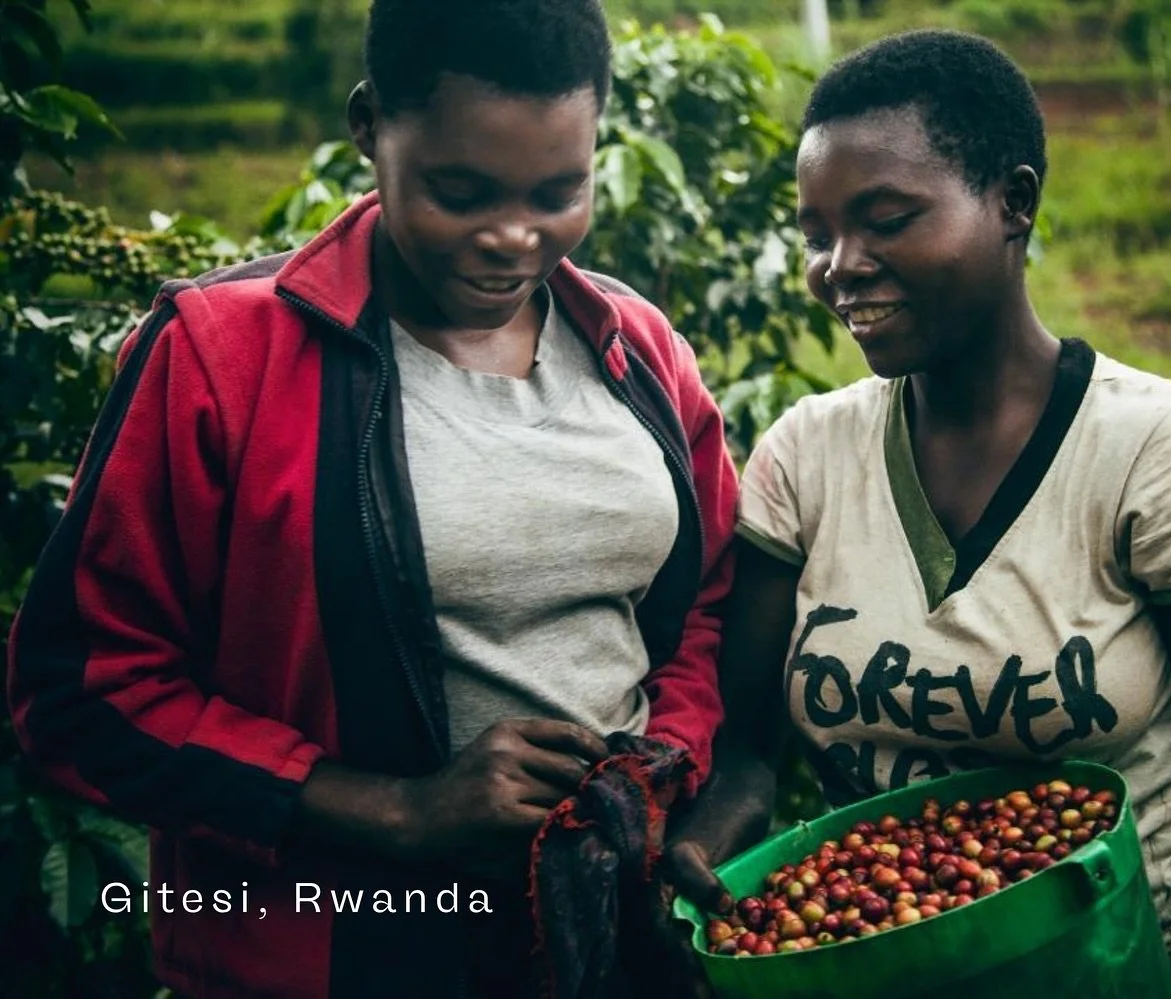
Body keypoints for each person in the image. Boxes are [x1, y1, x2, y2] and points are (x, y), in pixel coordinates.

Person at [5, 1, 738, 997]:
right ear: (368, 127)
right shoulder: (220, 359)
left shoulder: (638, 352)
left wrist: (657, 771)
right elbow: (83, 688)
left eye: (559, 190)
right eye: (459, 191)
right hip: (346, 950)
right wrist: (391, 809)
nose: (513, 239)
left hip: (609, 943)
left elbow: (704, 609)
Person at [661, 29, 1171, 999]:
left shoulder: (1167, 457)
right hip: (885, 959)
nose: (839, 266)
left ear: (1013, 202)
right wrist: (704, 855)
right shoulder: (807, 455)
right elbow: (750, 757)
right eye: (817, 234)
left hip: (1131, 961)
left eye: (886, 219)